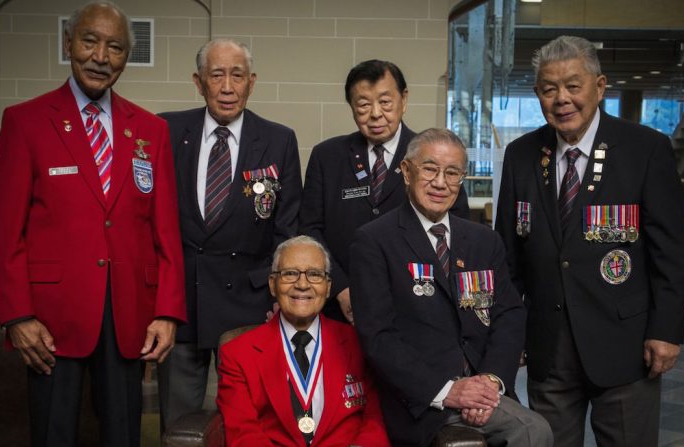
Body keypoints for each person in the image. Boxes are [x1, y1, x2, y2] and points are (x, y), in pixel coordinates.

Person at [0, 2, 186, 446]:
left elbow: (166, 231)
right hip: (50, 323)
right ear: (68, 44)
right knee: (53, 433)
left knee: (123, 434)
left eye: (115, 47)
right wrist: (18, 315)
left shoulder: (151, 131)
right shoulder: (25, 122)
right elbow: (6, 233)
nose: (100, 56)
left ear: (125, 57)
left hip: (129, 317)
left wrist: (167, 312)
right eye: (89, 41)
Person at [495, 35, 684, 446]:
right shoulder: (520, 154)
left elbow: (671, 250)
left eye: (573, 85)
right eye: (549, 89)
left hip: (626, 344)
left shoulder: (645, 149)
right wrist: (510, 333)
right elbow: (508, 255)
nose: (562, 99)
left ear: (599, 87)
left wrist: (667, 330)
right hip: (548, 346)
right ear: (537, 94)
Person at [351, 128, 552, 446]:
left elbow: (509, 315)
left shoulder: (485, 241)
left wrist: (489, 383)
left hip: (481, 386)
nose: (440, 182)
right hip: (420, 399)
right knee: (532, 429)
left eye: (452, 172)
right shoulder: (375, 241)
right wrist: (449, 391)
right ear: (406, 171)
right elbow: (378, 337)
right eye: (430, 169)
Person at [158, 38, 302, 431]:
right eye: (216, 75)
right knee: (179, 423)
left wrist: (280, 294)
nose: (227, 86)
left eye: (236, 75)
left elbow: (287, 231)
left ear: (251, 82)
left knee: (249, 421)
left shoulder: (278, 139)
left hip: (250, 304)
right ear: (198, 82)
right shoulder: (165, 130)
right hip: (181, 302)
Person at [300, 59, 470, 325]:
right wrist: (340, 288)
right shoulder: (327, 156)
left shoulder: (432, 155)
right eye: (364, 104)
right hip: (341, 308)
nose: (376, 113)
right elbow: (310, 229)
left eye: (385, 102)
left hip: (415, 309)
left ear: (404, 99)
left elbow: (457, 232)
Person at [217, 235, 390, 446]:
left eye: (314, 274)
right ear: (272, 284)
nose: (302, 284)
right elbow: (243, 432)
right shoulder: (237, 353)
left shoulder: (360, 343)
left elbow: (376, 420)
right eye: (290, 273)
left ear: (328, 287)